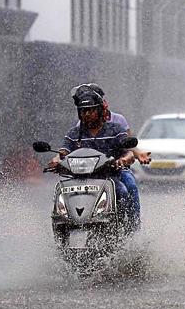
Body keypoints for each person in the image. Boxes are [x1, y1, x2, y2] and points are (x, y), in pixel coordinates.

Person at [48, 89, 139, 232]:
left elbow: (129, 152)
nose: (87, 115)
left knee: (122, 191)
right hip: (78, 179)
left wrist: (124, 160)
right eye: (83, 111)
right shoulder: (74, 133)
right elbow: (62, 153)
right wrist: (55, 161)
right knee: (61, 196)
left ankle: (125, 231)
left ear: (100, 111)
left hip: (109, 177)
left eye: (91, 111)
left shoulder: (116, 129)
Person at [69, 83, 149, 231]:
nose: (87, 114)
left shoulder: (118, 121)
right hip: (89, 170)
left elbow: (128, 145)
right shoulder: (81, 125)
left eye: (91, 108)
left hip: (115, 169)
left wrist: (135, 154)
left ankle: (131, 226)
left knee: (129, 186)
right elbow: (72, 148)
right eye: (84, 109)